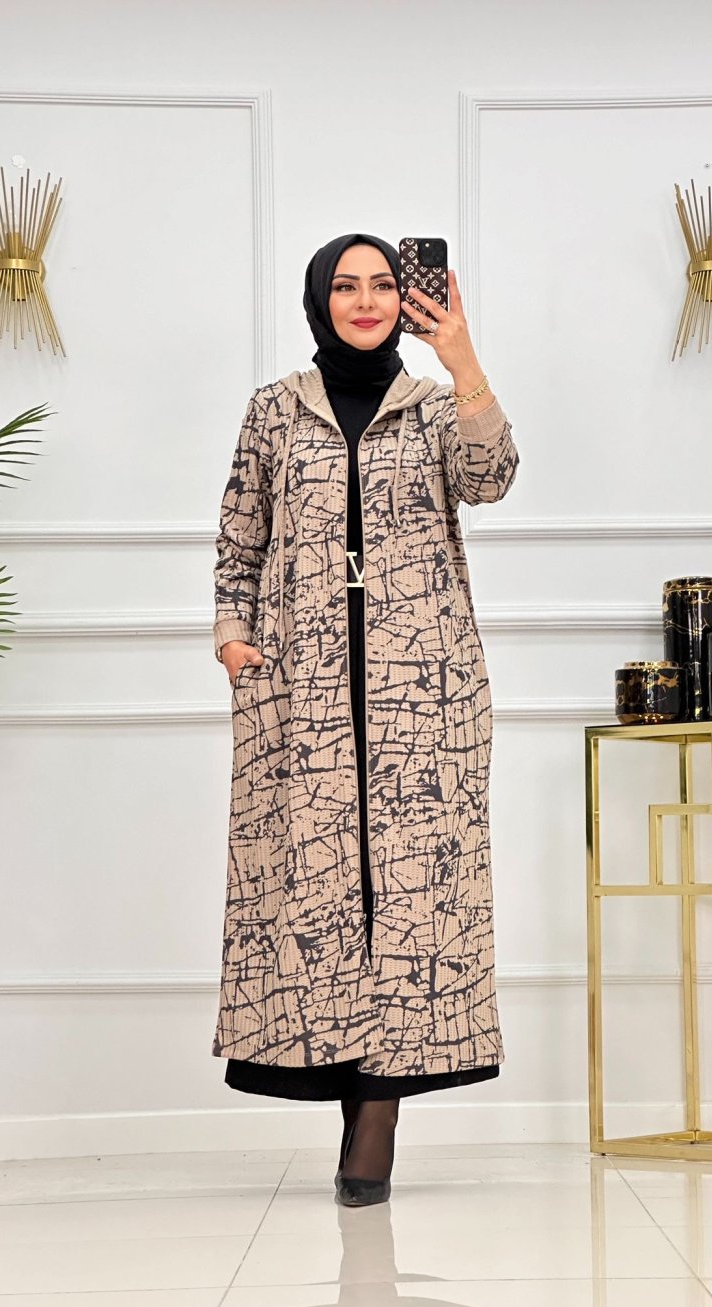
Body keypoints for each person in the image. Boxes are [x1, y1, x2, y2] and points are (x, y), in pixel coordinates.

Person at [210, 233, 520, 1207]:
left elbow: (492, 476)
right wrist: (233, 637)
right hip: (299, 687)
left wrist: (461, 358)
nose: (366, 300)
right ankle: (349, 1085)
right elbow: (240, 537)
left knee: (412, 899)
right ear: (319, 301)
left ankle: (377, 1111)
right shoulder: (274, 409)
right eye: (345, 286)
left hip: (421, 687)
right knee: (323, 896)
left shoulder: (432, 406)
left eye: (384, 283)